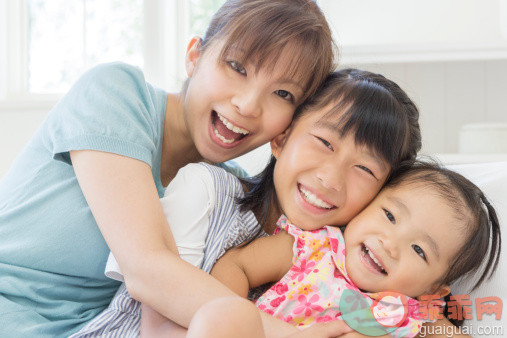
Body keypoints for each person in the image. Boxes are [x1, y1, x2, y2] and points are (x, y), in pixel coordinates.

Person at [0, 1, 335, 336]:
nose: (247, 105)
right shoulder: (115, 94)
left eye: (282, 93)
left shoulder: (224, 191)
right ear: (194, 56)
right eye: (237, 66)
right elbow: (146, 269)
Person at [130, 68, 423, 337]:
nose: (331, 179)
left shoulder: (360, 264)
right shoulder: (206, 191)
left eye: (365, 169)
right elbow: (156, 328)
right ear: (282, 138)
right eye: (325, 142)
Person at [187, 161, 501, 338]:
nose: (389, 244)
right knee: (225, 315)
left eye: (419, 250)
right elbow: (238, 264)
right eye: (389, 216)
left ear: (434, 288)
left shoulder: (409, 313)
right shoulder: (313, 247)